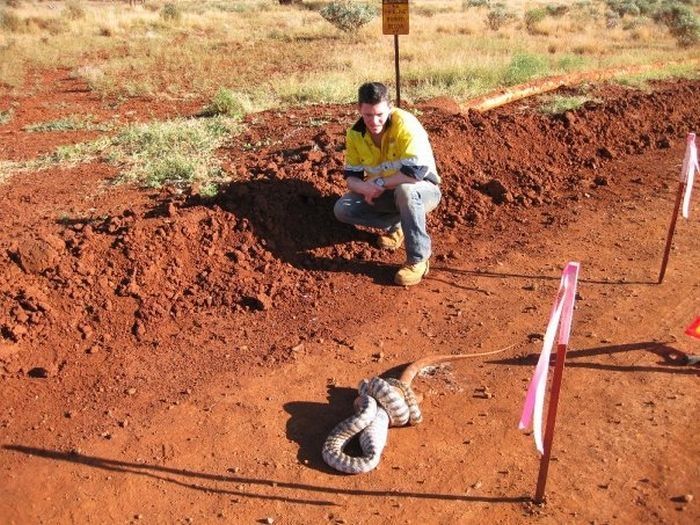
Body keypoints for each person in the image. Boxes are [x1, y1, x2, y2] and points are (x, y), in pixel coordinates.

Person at [334, 82, 441, 286]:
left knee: (406, 191)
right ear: (359, 110)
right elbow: (351, 177)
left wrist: (380, 182)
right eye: (367, 115)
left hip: (423, 190)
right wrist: (364, 187)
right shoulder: (355, 134)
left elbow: (414, 174)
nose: (374, 121)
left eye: (380, 114)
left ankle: (418, 259)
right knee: (343, 209)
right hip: (385, 193)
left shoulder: (405, 124)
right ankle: (398, 225)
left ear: (389, 107)